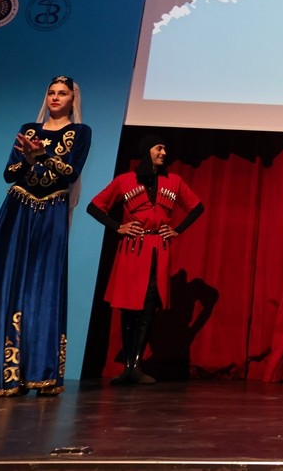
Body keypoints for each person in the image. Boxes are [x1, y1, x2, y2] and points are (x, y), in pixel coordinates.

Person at [0, 76, 92, 398]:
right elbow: (8, 173)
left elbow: (71, 171)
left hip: (52, 212)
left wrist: (42, 157)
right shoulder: (29, 129)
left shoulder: (80, 132)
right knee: (6, 279)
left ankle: (39, 371)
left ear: (73, 99)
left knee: (44, 283)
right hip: (18, 209)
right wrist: (27, 160)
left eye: (62, 93)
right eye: (51, 92)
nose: (55, 98)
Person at [86, 134, 205, 385]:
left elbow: (197, 207)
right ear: (146, 150)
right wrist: (117, 227)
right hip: (132, 248)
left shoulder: (174, 181)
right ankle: (128, 367)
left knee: (150, 304)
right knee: (129, 307)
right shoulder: (125, 180)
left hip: (158, 249)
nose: (164, 152)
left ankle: (137, 366)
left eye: (165, 148)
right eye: (159, 148)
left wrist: (178, 229)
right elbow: (94, 207)